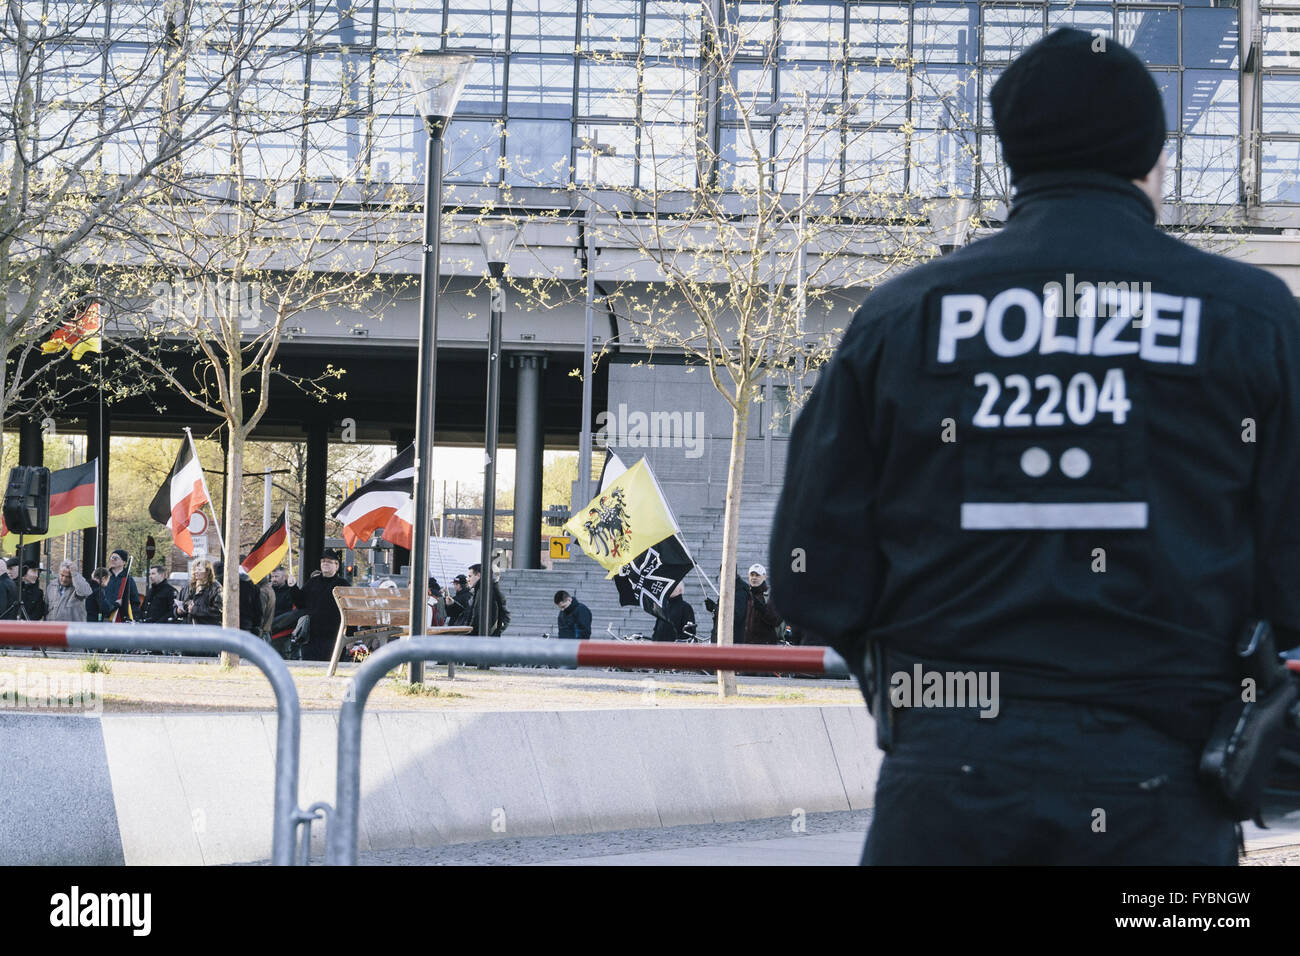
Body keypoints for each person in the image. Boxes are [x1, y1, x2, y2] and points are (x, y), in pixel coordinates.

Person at [771, 28, 1300, 866]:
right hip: (1163, 796)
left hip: (942, 793)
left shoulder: (901, 320)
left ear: (1012, 156)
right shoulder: (1253, 318)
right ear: (1154, 159)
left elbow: (810, 574)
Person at [289, 549, 350, 662]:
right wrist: (293, 587)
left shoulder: (343, 584)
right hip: (312, 637)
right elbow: (300, 603)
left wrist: (350, 637)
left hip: (334, 636)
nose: (325, 564)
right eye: (323, 561)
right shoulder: (313, 582)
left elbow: (350, 612)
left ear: (336, 566)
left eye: (329, 562)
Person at [741, 564, 780, 645]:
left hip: (765, 646)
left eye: (757, 575)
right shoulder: (745, 595)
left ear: (764, 577)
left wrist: (762, 609)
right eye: (752, 575)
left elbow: (776, 621)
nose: (754, 578)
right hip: (745, 644)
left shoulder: (771, 595)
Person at [466, 563, 507, 637]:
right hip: (478, 635)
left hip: (483, 636)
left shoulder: (488, 589)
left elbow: (505, 613)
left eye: (470, 576)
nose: (468, 580)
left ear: (478, 575)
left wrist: (495, 632)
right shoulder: (479, 589)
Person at [180, 560, 222, 626]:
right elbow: (181, 603)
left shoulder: (215, 587)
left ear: (207, 571)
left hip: (207, 629)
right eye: (195, 569)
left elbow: (218, 611)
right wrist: (178, 610)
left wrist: (195, 610)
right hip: (189, 628)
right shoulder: (189, 586)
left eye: (199, 569)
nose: (196, 572)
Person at [105, 548, 141, 622]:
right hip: (105, 616)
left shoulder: (128, 579)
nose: (112, 560)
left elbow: (135, 602)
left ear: (123, 562)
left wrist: (133, 618)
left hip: (121, 618)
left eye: (115, 558)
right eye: (111, 557)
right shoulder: (104, 577)